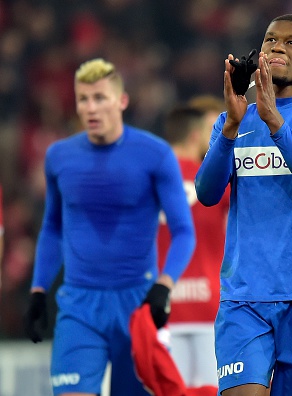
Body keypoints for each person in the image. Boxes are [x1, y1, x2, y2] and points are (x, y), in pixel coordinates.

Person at [194, 14, 292, 396]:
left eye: (291, 42)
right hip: (244, 294)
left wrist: (275, 121)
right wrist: (233, 127)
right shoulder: (231, 121)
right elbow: (206, 194)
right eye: (270, 40)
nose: (277, 47)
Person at [23, 58, 196, 396]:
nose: (90, 108)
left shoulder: (155, 154)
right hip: (79, 306)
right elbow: (52, 228)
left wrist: (165, 284)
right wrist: (38, 290)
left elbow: (183, 231)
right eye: (83, 99)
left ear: (121, 101)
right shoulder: (59, 157)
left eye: (100, 97)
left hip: (138, 305)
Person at [157, 96, 228, 394]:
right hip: (210, 304)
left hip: (164, 306)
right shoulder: (213, 181)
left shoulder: (150, 180)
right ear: (196, 134)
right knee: (214, 389)